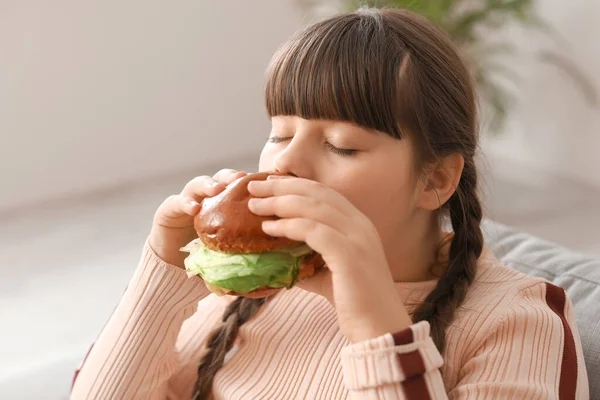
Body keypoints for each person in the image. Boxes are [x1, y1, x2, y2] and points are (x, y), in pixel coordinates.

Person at [70, 7, 589, 400]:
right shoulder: (251, 286)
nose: (282, 165)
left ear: (434, 180)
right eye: (278, 135)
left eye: (341, 145)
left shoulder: (518, 321)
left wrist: (374, 318)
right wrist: (162, 272)